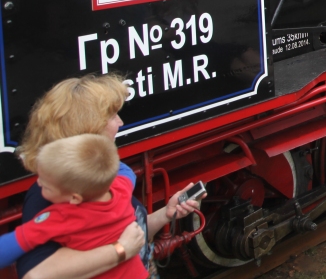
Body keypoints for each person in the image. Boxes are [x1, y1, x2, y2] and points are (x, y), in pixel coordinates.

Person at [15, 75, 202, 279]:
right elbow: (35, 273)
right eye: (112, 116)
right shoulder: (49, 192)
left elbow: (125, 232)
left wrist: (166, 214)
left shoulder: (98, 175)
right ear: (88, 127)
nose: (120, 123)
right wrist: (119, 251)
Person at [0, 135, 146, 278]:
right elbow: (127, 173)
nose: (38, 183)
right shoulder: (121, 189)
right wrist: (97, 161)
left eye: (46, 187)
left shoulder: (63, 216)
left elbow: (13, 244)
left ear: (74, 198)